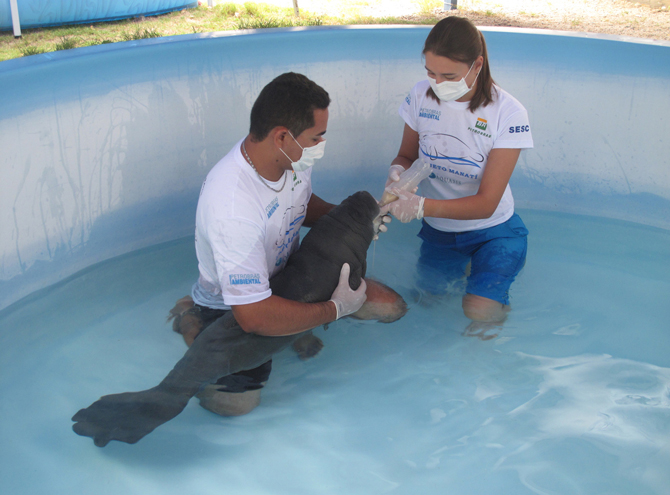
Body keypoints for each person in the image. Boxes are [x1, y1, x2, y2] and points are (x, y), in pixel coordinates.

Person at [168, 72, 396, 417]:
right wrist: (334, 310)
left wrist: (357, 220)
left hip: (288, 277)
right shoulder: (233, 206)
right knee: (235, 405)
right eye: (317, 136)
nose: (321, 144)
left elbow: (302, 204)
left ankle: (293, 328)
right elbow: (253, 317)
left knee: (390, 307)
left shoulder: (290, 160)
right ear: (282, 137)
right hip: (233, 308)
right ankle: (190, 317)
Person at [381, 17, 533, 340]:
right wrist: (397, 173)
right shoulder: (421, 97)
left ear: (477, 65)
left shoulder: (508, 113)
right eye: (430, 72)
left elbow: (486, 204)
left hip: (494, 230)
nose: (437, 82)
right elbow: (406, 155)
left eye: (448, 76)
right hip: (441, 231)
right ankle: (469, 267)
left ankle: (491, 286)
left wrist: (421, 206)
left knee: (479, 312)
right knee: (427, 302)